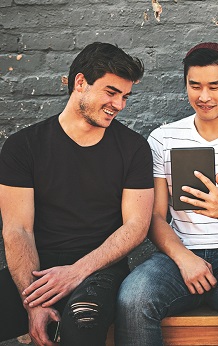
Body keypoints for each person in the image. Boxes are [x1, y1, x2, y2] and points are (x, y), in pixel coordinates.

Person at [115, 43, 218, 346]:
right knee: (133, 298)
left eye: (215, 86)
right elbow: (153, 216)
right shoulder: (163, 138)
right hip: (179, 251)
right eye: (195, 86)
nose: (204, 97)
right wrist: (183, 258)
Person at [0, 42, 153, 345]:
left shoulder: (133, 148)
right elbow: (18, 229)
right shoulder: (23, 146)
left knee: (83, 321)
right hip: (35, 268)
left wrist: (76, 272)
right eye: (111, 92)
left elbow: (136, 226)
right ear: (81, 83)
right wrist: (35, 302)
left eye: (125, 96)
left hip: (100, 269)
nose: (119, 105)